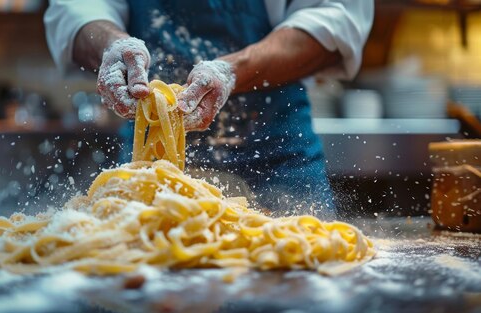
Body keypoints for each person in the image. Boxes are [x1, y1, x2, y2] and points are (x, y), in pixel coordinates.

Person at [44, 0, 374, 218]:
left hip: (278, 158)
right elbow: (76, 8)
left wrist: (232, 71)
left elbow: (338, 17)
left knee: (303, 278)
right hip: (143, 176)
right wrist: (112, 45)